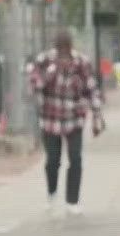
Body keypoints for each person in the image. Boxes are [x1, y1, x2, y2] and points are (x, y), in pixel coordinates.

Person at [27, 29, 104, 218]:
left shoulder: (81, 63)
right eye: (60, 50)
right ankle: (51, 192)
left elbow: (92, 89)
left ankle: (73, 200)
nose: (64, 54)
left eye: (66, 50)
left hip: (74, 117)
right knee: (53, 160)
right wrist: (52, 72)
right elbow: (34, 85)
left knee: (75, 159)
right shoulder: (44, 61)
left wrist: (97, 117)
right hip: (51, 118)